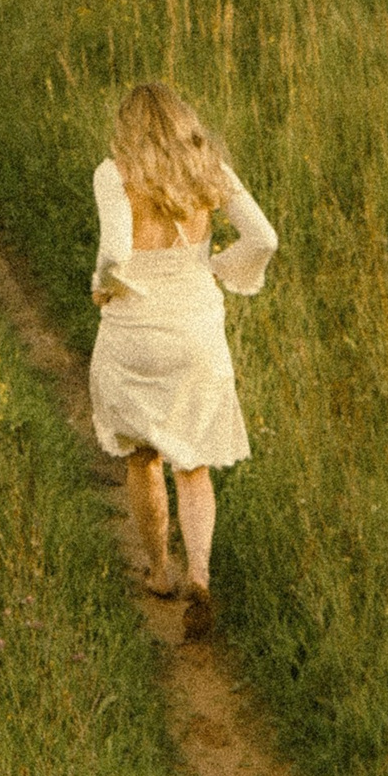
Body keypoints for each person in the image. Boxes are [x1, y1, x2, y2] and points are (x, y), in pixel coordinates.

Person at [88, 82, 277, 643]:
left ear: (128, 126)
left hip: (134, 334)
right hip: (197, 330)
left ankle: (160, 571)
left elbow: (116, 253)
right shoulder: (210, 167)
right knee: (192, 464)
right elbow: (263, 237)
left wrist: (102, 287)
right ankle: (200, 574)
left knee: (143, 456)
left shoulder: (114, 174)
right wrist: (219, 269)